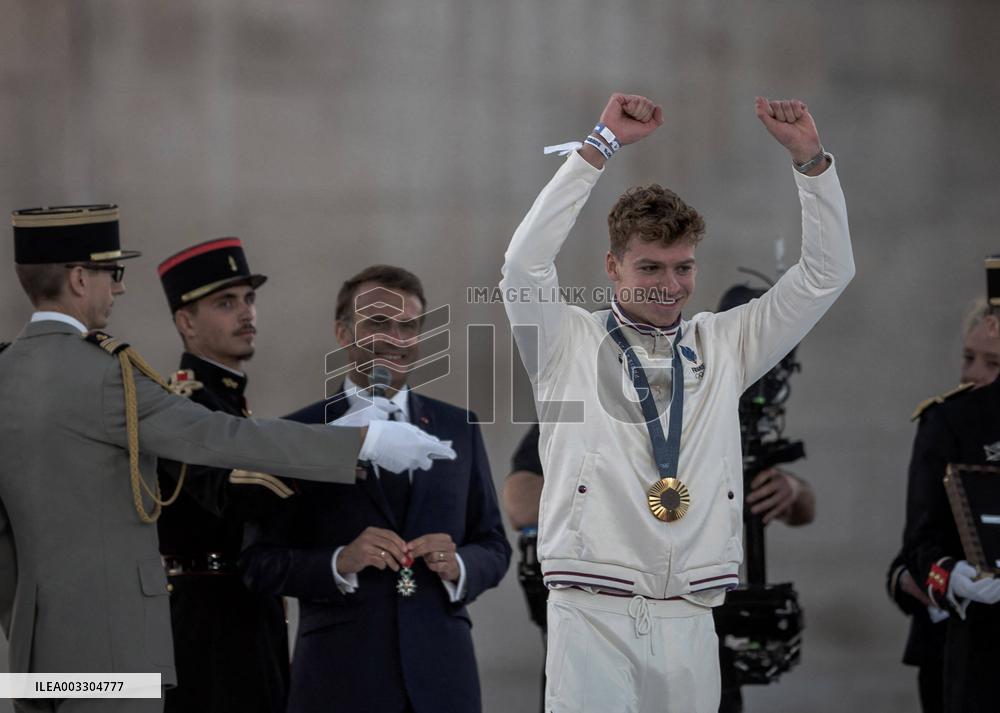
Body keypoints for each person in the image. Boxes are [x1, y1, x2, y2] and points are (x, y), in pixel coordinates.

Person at [0, 205, 454, 713]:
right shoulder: (111, 376)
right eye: (112, 272)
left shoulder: (7, 370)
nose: (120, 288)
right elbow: (218, 439)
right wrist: (360, 441)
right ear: (80, 279)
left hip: (32, 649)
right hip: (122, 644)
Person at [501, 94, 853, 712]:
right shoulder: (566, 340)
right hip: (592, 614)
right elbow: (524, 265)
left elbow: (826, 276)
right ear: (612, 266)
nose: (669, 286)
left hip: (694, 615)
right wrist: (599, 147)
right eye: (650, 267)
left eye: (683, 268)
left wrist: (810, 161)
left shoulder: (726, 342)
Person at [240, 265, 511, 713]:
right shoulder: (296, 432)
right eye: (379, 323)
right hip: (336, 681)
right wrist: (339, 562)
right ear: (343, 333)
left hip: (445, 681)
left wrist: (460, 564)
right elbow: (258, 563)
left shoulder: (459, 427)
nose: (396, 339)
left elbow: (495, 545)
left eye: (409, 326)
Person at [154, 237, 293, 713]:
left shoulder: (230, 405)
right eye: (226, 302)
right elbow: (233, 495)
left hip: (248, 617)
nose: (246, 313)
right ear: (185, 322)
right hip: (205, 631)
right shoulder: (181, 407)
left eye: (249, 299)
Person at [887, 294, 1000, 713]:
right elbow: (915, 548)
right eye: (969, 357)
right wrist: (952, 577)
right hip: (957, 649)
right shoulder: (947, 423)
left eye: (994, 365)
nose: (975, 374)